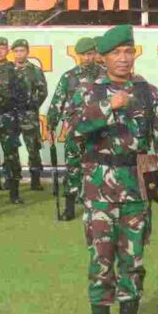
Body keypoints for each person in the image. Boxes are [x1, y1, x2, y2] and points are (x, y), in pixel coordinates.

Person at [72, 24, 158, 314]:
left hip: (135, 186)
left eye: (127, 51)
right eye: (116, 53)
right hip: (99, 188)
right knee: (101, 255)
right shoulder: (88, 90)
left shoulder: (146, 92)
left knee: (133, 257)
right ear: (103, 57)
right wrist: (109, 107)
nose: (123, 58)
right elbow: (74, 128)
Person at [46, 37, 104, 220]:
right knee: (73, 168)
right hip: (75, 129)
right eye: (83, 55)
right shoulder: (69, 76)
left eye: (90, 54)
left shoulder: (104, 75)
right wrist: (50, 125)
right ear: (77, 55)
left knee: (98, 168)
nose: (87, 58)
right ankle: (69, 207)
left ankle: (97, 205)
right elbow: (57, 101)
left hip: (99, 130)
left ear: (95, 53)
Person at [0, 37, 24, 204]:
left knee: (12, 157)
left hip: (9, 118)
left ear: (7, 50)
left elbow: (21, 94)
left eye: (2, 48)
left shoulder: (14, 70)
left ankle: (14, 193)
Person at [11, 39, 48, 190]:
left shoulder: (35, 70)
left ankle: (35, 178)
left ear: (27, 52)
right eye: (17, 51)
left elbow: (43, 91)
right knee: (11, 149)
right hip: (11, 115)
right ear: (13, 52)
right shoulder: (8, 69)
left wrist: (32, 105)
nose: (19, 54)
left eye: (22, 51)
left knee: (33, 148)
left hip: (29, 115)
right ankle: (13, 178)